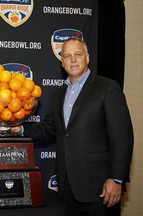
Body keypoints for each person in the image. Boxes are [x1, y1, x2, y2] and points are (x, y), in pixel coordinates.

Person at [14, 37, 134, 216]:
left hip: (99, 186)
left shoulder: (108, 88)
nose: (73, 59)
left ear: (87, 57)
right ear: (62, 62)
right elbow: (49, 129)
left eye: (78, 54)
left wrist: (116, 179)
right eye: (67, 56)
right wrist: (19, 129)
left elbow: (122, 138)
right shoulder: (57, 95)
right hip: (67, 186)